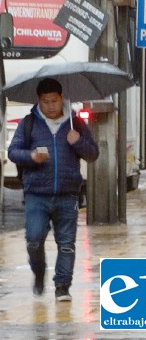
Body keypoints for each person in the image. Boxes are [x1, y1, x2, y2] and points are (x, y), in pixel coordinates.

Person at [8, 78, 99, 301]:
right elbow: (13, 152)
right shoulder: (29, 123)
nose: (50, 106)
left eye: (54, 101)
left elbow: (93, 154)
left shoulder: (75, 124)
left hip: (68, 194)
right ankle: (39, 272)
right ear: (39, 101)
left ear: (61, 98)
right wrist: (31, 156)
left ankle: (62, 287)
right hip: (36, 194)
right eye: (45, 101)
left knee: (66, 244)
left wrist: (77, 142)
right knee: (33, 239)